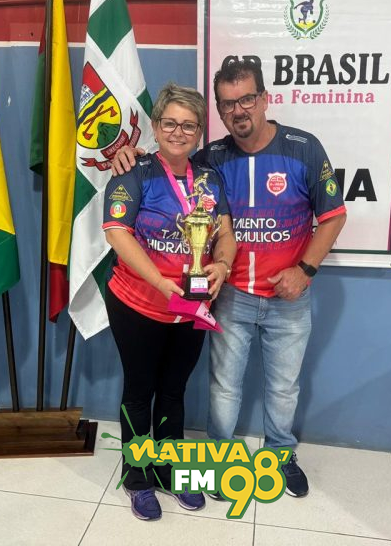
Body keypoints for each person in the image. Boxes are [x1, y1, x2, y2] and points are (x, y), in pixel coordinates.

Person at [111, 59, 347, 499]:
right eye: (227, 103)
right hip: (220, 298)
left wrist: (304, 270)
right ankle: (186, 467)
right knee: (213, 389)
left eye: (247, 99)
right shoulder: (210, 158)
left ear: (264, 99)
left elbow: (332, 216)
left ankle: (278, 455)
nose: (239, 110)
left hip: (278, 296)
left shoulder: (301, 149)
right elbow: (162, 168)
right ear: (218, 111)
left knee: (279, 387)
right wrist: (131, 153)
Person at [102, 83, 236, 521]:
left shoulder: (210, 178)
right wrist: (159, 282)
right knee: (140, 391)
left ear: (199, 132)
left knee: (175, 391)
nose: (179, 132)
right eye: (170, 123)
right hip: (138, 303)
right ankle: (137, 477)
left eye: (189, 126)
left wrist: (222, 265)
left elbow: (226, 233)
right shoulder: (133, 171)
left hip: (192, 307)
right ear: (156, 126)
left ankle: (169, 470)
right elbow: (117, 233)